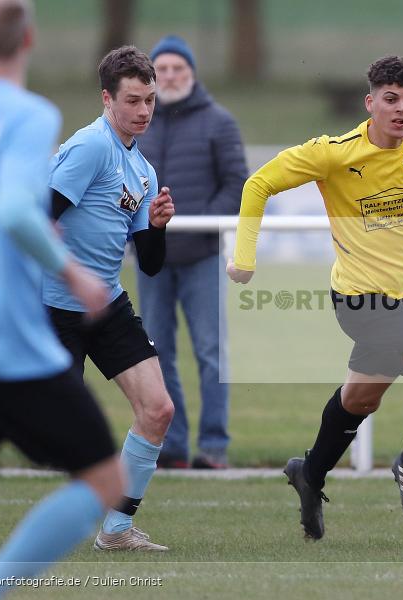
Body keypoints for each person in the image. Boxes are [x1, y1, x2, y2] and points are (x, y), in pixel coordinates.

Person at [227, 55, 403, 539]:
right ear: (370, 103)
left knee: (361, 398)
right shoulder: (335, 153)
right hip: (359, 300)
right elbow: (259, 184)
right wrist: (245, 258)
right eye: (391, 100)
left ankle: (311, 473)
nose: (401, 110)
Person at [0, 0, 123, 597]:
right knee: (104, 479)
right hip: (5, 338)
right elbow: (16, 211)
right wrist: (70, 270)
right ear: (29, 40)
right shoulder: (27, 114)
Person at [44, 45, 175, 551]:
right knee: (56, 434)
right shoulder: (91, 147)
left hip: (107, 304)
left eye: (150, 101)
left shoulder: (142, 169)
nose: (144, 111)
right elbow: (40, 214)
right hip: (54, 306)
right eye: (134, 100)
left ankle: (117, 530)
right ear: (107, 98)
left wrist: (159, 226)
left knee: (158, 410)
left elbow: (151, 262)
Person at [137, 35, 248, 470]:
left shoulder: (219, 122)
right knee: (157, 351)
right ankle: (173, 445)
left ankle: (214, 446)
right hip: (153, 257)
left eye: (176, 69)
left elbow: (238, 184)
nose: (168, 76)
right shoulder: (138, 124)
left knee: (209, 351)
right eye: (160, 70)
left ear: (192, 74)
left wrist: (198, 222)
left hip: (201, 255)